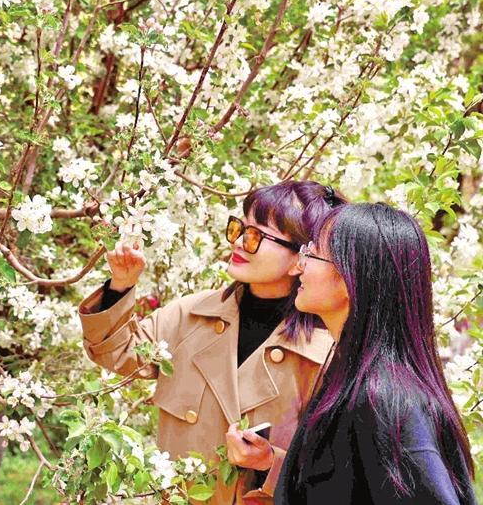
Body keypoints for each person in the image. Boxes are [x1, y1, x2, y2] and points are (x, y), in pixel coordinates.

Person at [78, 181, 345, 504]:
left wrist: (270, 462)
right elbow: (115, 352)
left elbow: (335, 474)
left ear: (300, 259)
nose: (239, 242)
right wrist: (121, 285)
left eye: (257, 236)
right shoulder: (191, 315)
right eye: (239, 228)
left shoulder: (328, 351)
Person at [276, 203, 478, 504]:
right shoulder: (352, 378)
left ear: (350, 276)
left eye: (312, 253)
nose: (298, 266)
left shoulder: (385, 400)